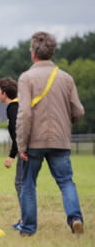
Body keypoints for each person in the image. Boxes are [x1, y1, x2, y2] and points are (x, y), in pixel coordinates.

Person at [16, 31, 85, 236]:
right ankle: (75, 218)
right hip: (60, 140)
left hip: (34, 142)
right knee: (66, 182)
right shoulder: (66, 78)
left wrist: (21, 145)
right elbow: (79, 111)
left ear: (34, 52)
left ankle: (28, 229)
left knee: (28, 184)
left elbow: (25, 114)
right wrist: (65, 123)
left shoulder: (26, 78)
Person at [0, 78, 24, 229]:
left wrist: (11, 156)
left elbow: (17, 133)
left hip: (26, 150)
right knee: (25, 184)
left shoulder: (13, 107)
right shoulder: (18, 105)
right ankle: (26, 218)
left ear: (4, 93)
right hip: (31, 148)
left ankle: (26, 220)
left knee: (21, 184)